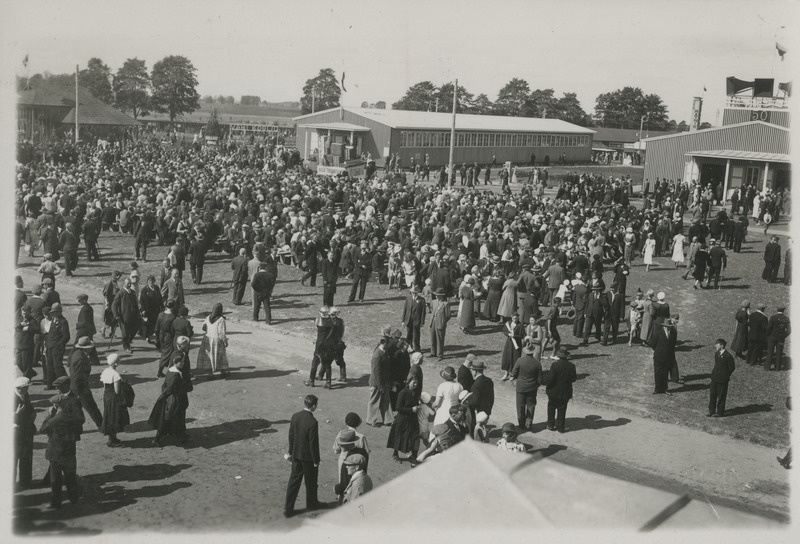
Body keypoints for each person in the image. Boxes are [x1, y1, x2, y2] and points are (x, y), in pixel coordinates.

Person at [40, 388, 84, 508]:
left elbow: (43, 429)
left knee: (56, 479)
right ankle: (73, 498)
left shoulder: (55, 419)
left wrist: (49, 414)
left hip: (56, 452)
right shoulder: (73, 417)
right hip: (70, 451)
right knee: (71, 476)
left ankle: (56, 502)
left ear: (56, 405)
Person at [284, 395, 322, 518]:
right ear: (314, 406)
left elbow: (291, 436)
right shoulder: (313, 422)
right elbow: (313, 443)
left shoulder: (295, 416)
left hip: (296, 455)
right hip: (308, 458)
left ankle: (288, 509)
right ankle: (312, 504)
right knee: (311, 482)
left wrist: (290, 452)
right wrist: (316, 459)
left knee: (294, 482)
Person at [149, 353, 191, 447]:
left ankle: (181, 435)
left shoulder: (170, 371)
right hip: (175, 399)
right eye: (181, 362)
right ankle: (159, 439)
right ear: (176, 363)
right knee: (173, 419)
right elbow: (170, 388)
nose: (183, 364)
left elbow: (165, 386)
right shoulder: (175, 375)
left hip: (171, 399)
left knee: (172, 419)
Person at [67, 337, 103, 429]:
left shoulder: (76, 354)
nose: (91, 349)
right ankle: (102, 426)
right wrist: (79, 392)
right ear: (86, 348)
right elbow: (77, 376)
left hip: (76, 387)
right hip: (81, 388)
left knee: (75, 409)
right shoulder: (81, 359)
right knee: (91, 407)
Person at [387, 375, 421, 466]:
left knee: (414, 438)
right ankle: (395, 454)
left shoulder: (415, 393)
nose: (415, 384)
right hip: (402, 420)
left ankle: (413, 457)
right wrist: (411, 410)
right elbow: (398, 408)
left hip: (412, 420)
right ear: (408, 382)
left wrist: (418, 406)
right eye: (414, 382)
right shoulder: (403, 393)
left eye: (416, 383)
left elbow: (416, 403)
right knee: (399, 437)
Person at [99, 353, 130, 447]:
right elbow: (117, 391)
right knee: (114, 417)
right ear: (116, 363)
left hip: (106, 396)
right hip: (113, 398)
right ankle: (112, 440)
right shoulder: (115, 375)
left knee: (108, 416)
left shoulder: (105, 371)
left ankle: (112, 438)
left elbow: (104, 387)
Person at [510, 343, 543, 431]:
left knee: (520, 406)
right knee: (531, 406)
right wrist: (535, 385)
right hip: (532, 388)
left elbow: (514, 373)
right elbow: (540, 380)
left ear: (525, 352)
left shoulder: (519, 361)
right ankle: (529, 423)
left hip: (521, 387)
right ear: (533, 352)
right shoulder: (537, 363)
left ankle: (521, 424)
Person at [546, 347, 577, 433]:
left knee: (551, 408)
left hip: (553, 391)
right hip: (565, 392)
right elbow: (574, 378)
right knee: (562, 409)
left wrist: (547, 386)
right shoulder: (572, 366)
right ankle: (560, 427)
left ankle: (551, 425)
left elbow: (550, 379)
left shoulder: (555, 365)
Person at [366, 332, 394, 426]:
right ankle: (371, 420)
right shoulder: (377, 355)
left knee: (386, 401)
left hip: (383, 382)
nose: (390, 345)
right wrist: (380, 386)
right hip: (377, 383)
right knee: (374, 401)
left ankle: (388, 420)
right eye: (388, 343)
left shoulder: (384, 352)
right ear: (384, 343)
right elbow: (377, 373)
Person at [196, 303, 230, 378]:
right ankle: (223, 372)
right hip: (217, 339)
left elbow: (204, 327)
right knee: (221, 355)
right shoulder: (221, 319)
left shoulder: (208, 317)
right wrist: (225, 341)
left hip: (207, 339)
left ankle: (210, 374)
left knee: (208, 356)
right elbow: (221, 332)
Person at [14, 377, 36, 490]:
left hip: (27, 431)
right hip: (16, 433)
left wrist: (32, 416)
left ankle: (25, 481)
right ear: (20, 388)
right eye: (26, 388)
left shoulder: (25, 395)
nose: (27, 389)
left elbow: (31, 409)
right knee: (14, 458)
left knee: (26, 458)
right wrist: (16, 414)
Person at [44, 303, 70, 390]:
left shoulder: (63, 321)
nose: (53, 314)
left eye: (54, 312)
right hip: (50, 346)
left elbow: (66, 336)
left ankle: (64, 383)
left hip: (57, 348)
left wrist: (59, 345)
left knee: (57, 366)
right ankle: (50, 384)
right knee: (50, 366)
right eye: (52, 312)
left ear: (59, 312)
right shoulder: (54, 320)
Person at [708, 339, 735, 418]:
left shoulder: (728, 356)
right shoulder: (716, 354)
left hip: (723, 380)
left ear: (722, 345)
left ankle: (720, 412)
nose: (715, 346)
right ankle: (711, 411)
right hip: (714, 379)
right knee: (712, 395)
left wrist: (725, 375)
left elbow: (732, 367)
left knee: (721, 397)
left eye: (717, 344)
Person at [112, 278, 140, 353]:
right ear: (124, 283)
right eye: (127, 283)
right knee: (125, 333)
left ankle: (128, 341)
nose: (129, 284)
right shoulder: (121, 293)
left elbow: (136, 304)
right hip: (124, 317)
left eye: (130, 283)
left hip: (133, 316)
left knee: (135, 328)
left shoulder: (133, 292)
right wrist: (116, 315)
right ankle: (126, 346)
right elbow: (114, 305)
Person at [651, 318, 678, 394]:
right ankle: (658, 389)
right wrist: (658, 351)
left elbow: (673, 344)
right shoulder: (658, 333)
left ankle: (665, 388)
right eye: (667, 326)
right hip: (658, 356)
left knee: (665, 373)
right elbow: (653, 343)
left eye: (669, 326)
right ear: (664, 326)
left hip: (667, 357)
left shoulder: (673, 333)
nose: (668, 328)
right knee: (658, 373)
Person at [467, 360, 495, 424]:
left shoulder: (476, 385)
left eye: (472, 370)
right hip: (487, 409)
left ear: (475, 371)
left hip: (479, 412)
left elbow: (475, 402)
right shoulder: (489, 380)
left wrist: (468, 403)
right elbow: (491, 397)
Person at [765, 306, 791, 371]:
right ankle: (777, 368)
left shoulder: (773, 317)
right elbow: (789, 331)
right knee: (779, 353)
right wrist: (783, 336)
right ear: (784, 310)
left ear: (777, 310)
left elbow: (769, 328)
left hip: (772, 337)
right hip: (781, 339)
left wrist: (768, 335)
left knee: (770, 352)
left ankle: (767, 367)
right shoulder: (786, 318)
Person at [251, 259, 277, 324]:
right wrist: (269, 289)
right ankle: (268, 320)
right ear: (266, 267)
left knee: (256, 306)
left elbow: (253, 284)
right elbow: (272, 284)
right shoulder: (270, 275)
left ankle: (255, 318)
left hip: (258, 292)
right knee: (267, 307)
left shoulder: (257, 275)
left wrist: (256, 289)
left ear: (260, 267)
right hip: (266, 292)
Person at [500, 314, 524, 381]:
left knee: (515, 358)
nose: (514, 320)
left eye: (516, 318)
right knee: (507, 357)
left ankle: (513, 374)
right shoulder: (509, 323)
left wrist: (515, 336)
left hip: (517, 344)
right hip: (509, 343)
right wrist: (508, 334)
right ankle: (506, 373)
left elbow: (522, 335)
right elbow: (504, 331)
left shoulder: (520, 325)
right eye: (513, 318)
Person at [402, 285, 426, 352]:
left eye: (415, 292)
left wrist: (422, 322)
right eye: (412, 292)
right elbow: (405, 309)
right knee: (409, 335)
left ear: (417, 292)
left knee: (416, 335)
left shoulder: (422, 300)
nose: (414, 293)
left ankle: (417, 349)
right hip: (408, 320)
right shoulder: (408, 298)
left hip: (416, 321)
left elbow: (423, 312)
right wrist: (403, 320)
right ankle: (409, 348)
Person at [139, 275, 163, 342]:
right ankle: (148, 336)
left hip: (156, 309)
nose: (151, 282)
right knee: (148, 324)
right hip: (148, 310)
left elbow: (160, 298)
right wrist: (143, 310)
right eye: (149, 281)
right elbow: (142, 301)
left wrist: (162, 307)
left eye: (152, 281)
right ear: (147, 282)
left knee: (156, 323)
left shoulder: (156, 288)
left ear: (154, 281)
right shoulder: (144, 290)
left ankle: (157, 336)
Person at [429, 288, 450, 359]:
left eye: (438, 295)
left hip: (440, 323)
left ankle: (440, 354)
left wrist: (443, 321)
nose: (436, 296)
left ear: (441, 296)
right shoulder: (433, 302)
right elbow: (432, 310)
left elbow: (448, 315)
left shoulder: (445, 304)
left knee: (440, 339)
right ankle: (433, 352)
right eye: (436, 295)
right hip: (433, 321)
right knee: (432, 337)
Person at [101, 271, 121, 337]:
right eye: (118, 276)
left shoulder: (115, 282)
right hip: (109, 303)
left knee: (114, 319)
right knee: (108, 319)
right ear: (116, 276)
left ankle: (112, 333)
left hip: (114, 303)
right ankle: (103, 331)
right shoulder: (109, 283)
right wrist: (107, 304)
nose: (119, 278)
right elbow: (105, 294)